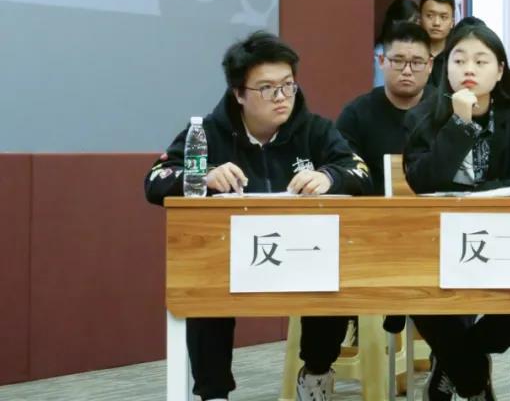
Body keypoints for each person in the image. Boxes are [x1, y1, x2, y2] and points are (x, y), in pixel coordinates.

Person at [144, 31, 372, 401]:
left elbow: (360, 172)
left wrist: (329, 177)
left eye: (288, 85)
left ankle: (316, 373)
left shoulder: (315, 130)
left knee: (332, 275)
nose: (281, 97)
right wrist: (202, 177)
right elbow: (155, 180)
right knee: (205, 288)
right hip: (232, 258)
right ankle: (214, 393)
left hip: (303, 254)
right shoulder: (208, 132)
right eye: (266, 88)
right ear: (239, 93)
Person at [403, 24, 510, 401]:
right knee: (413, 290)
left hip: (509, 241)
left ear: (500, 70)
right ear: (446, 68)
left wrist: (472, 194)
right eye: (459, 60)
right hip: (438, 243)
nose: (469, 68)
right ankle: (471, 377)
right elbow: (422, 181)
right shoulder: (423, 117)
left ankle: (456, 360)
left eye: (481, 61)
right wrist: (459, 124)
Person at [338, 21, 431, 194]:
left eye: (417, 62)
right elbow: (343, 169)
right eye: (398, 61)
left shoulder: (446, 110)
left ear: (430, 65)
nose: (407, 71)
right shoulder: (356, 114)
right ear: (381, 61)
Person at [372, 0, 419, 87]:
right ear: (396, 22)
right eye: (413, 21)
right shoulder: (380, 54)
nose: (417, 27)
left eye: (418, 21)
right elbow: (380, 89)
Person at [418, 0, 456, 87]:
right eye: (430, 16)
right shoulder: (410, 53)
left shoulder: (457, 57)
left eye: (443, 17)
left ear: (452, 22)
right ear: (419, 19)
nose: (436, 23)